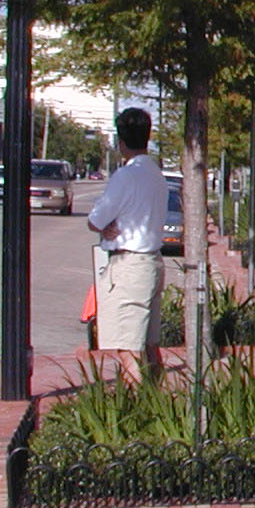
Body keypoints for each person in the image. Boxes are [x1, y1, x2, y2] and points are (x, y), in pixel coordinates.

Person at [87, 108, 169, 382]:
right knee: (149, 344)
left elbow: (95, 220)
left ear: (121, 142)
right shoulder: (157, 174)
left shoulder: (125, 175)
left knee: (128, 346)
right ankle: (158, 395)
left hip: (129, 265)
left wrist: (106, 226)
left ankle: (137, 401)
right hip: (153, 261)